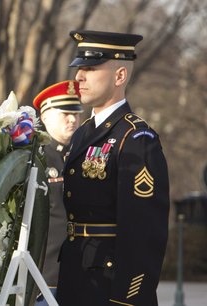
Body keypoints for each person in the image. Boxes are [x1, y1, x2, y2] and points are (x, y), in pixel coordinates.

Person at [56, 30, 170, 306]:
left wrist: (127, 299)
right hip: (76, 278)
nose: (79, 77)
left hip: (110, 288)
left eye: (91, 68)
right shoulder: (83, 134)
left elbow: (144, 232)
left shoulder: (136, 139)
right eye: (79, 68)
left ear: (120, 76)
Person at [31, 80, 83, 305]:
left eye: (76, 113)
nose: (73, 119)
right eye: (65, 113)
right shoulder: (34, 159)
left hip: (81, 274)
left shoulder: (84, 156)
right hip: (45, 278)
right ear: (45, 116)